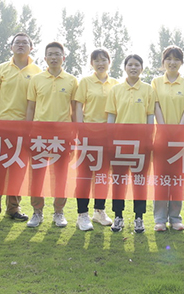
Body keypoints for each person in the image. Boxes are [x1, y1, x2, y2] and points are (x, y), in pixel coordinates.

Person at [0, 32, 41, 225]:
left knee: (18, 170)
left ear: (31, 48)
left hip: (24, 129)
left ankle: (13, 208)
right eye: (17, 42)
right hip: (1, 126)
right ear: (11, 47)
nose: (21, 45)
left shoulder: (38, 72)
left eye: (25, 42)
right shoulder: (1, 69)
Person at [25, 42, 78, 228]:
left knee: (60, 175)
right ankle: (37, 212)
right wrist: (27, 133)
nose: (54, 57)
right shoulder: (36, 79)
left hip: (62, 135)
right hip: (39, 135)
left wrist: (74, 135)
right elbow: (30, 107)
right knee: (37, 175)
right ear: (45, 58)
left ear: (63, 58)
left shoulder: (72, 80)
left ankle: (59, 212)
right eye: (50, 54)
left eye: (57, 54)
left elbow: (74, 110)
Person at [105, 54, 155, 234]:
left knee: (139, 181)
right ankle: (118, 216)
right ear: (125, 67)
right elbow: (111, 117)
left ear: (142, 68)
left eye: (137, 65)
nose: (133, 68)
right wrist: (110, 141)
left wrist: (149, 140)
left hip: (141, 144)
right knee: (118, 181)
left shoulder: (148, 90)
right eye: (130, 65)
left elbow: (150, 117)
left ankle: (139, 217)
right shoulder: (116, 90)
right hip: (119, 144)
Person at [73, 48, 118, 231]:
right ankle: (82, 214)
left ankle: (99, 211)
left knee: (102, 175)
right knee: (84, 175)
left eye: (103, 60)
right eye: (96, 60)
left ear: (109, 62)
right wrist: (80, 129)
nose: (100, 63)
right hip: (88, 135)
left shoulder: (115, 84)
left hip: (108, 137)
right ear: (91, 63)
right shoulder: (85, 82)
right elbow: (78, 106)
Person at [151, 46, 184, 232]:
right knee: (161, 179)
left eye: (176, 59)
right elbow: (156, 106)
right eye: (168, 58)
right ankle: (160, 219)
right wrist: (164, 129)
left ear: (181, 62)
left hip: (182, 138)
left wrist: (177, 130)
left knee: (178, 179)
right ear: (163, 62)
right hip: (161, 138)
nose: (172, 62)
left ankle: (175, 218)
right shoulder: (156, 82)